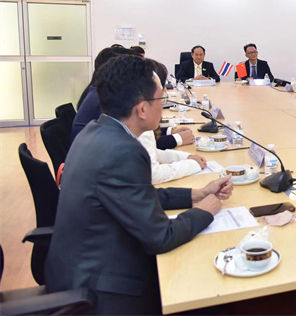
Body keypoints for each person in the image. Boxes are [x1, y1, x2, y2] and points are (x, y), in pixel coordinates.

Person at [45, 55, 233, 314]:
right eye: (160, 99)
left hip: (80, 268)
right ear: (142, 109)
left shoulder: (97, 130)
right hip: (103, 291)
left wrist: (197, 194)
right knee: (205, 291)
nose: (163, 105)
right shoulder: (123, 151)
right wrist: (205, 210)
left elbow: (138, 194)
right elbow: (161, 237)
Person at [142, 61, 207, 184]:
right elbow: (153, 174)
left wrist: (186, 157)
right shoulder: (140, 124)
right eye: (161, 98)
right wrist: (192, 165)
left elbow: (151, 153)